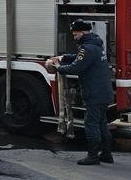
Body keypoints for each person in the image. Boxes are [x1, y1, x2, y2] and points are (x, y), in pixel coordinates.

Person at [47, 20, 115, 166]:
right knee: (102, 124)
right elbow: (80, 58)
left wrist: (58, 67)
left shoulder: (87, 48)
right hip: (103, 93)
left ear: (83, 32)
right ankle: (107, 154)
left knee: (91, 124)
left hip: (94, 94)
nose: (74, 36)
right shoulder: (96, 45)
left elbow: (76, 67)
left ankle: (93, 156)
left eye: (75, 33)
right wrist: (63, 57)